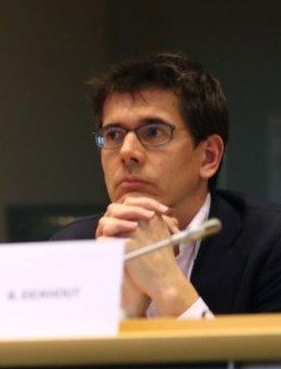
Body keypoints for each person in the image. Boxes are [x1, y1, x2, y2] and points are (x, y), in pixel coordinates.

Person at [53, 53, 281, 317]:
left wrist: (166, 284)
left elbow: (265, 359)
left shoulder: (270, 243)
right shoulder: (69, 248)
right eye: (113, 135)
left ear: (208, 156)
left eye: (153, 132)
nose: (127, 151)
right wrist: (123, 313)